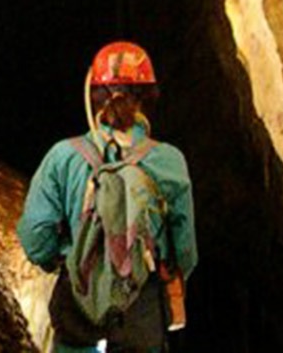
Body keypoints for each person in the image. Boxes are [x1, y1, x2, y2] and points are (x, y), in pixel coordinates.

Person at [18, 40, 198, 352]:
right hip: (140, 317)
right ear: (149, 98)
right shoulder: (169, 161)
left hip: (78, 309)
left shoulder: (63, 156)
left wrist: (69, 257)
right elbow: (185, 253)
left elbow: (35, 236)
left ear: (95, 97)